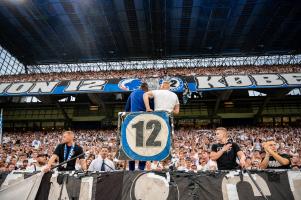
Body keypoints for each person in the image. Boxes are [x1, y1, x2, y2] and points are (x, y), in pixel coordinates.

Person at [125, 82, 153, 171]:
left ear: (140, 87)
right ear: (147, 89)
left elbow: (127, 108)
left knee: (132, 146)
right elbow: (152, 107)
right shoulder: (147, 94)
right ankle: (141, 168)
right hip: (145, 121)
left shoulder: (132, 93)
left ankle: (131, 169)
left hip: (133, 121)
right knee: (144, 146)